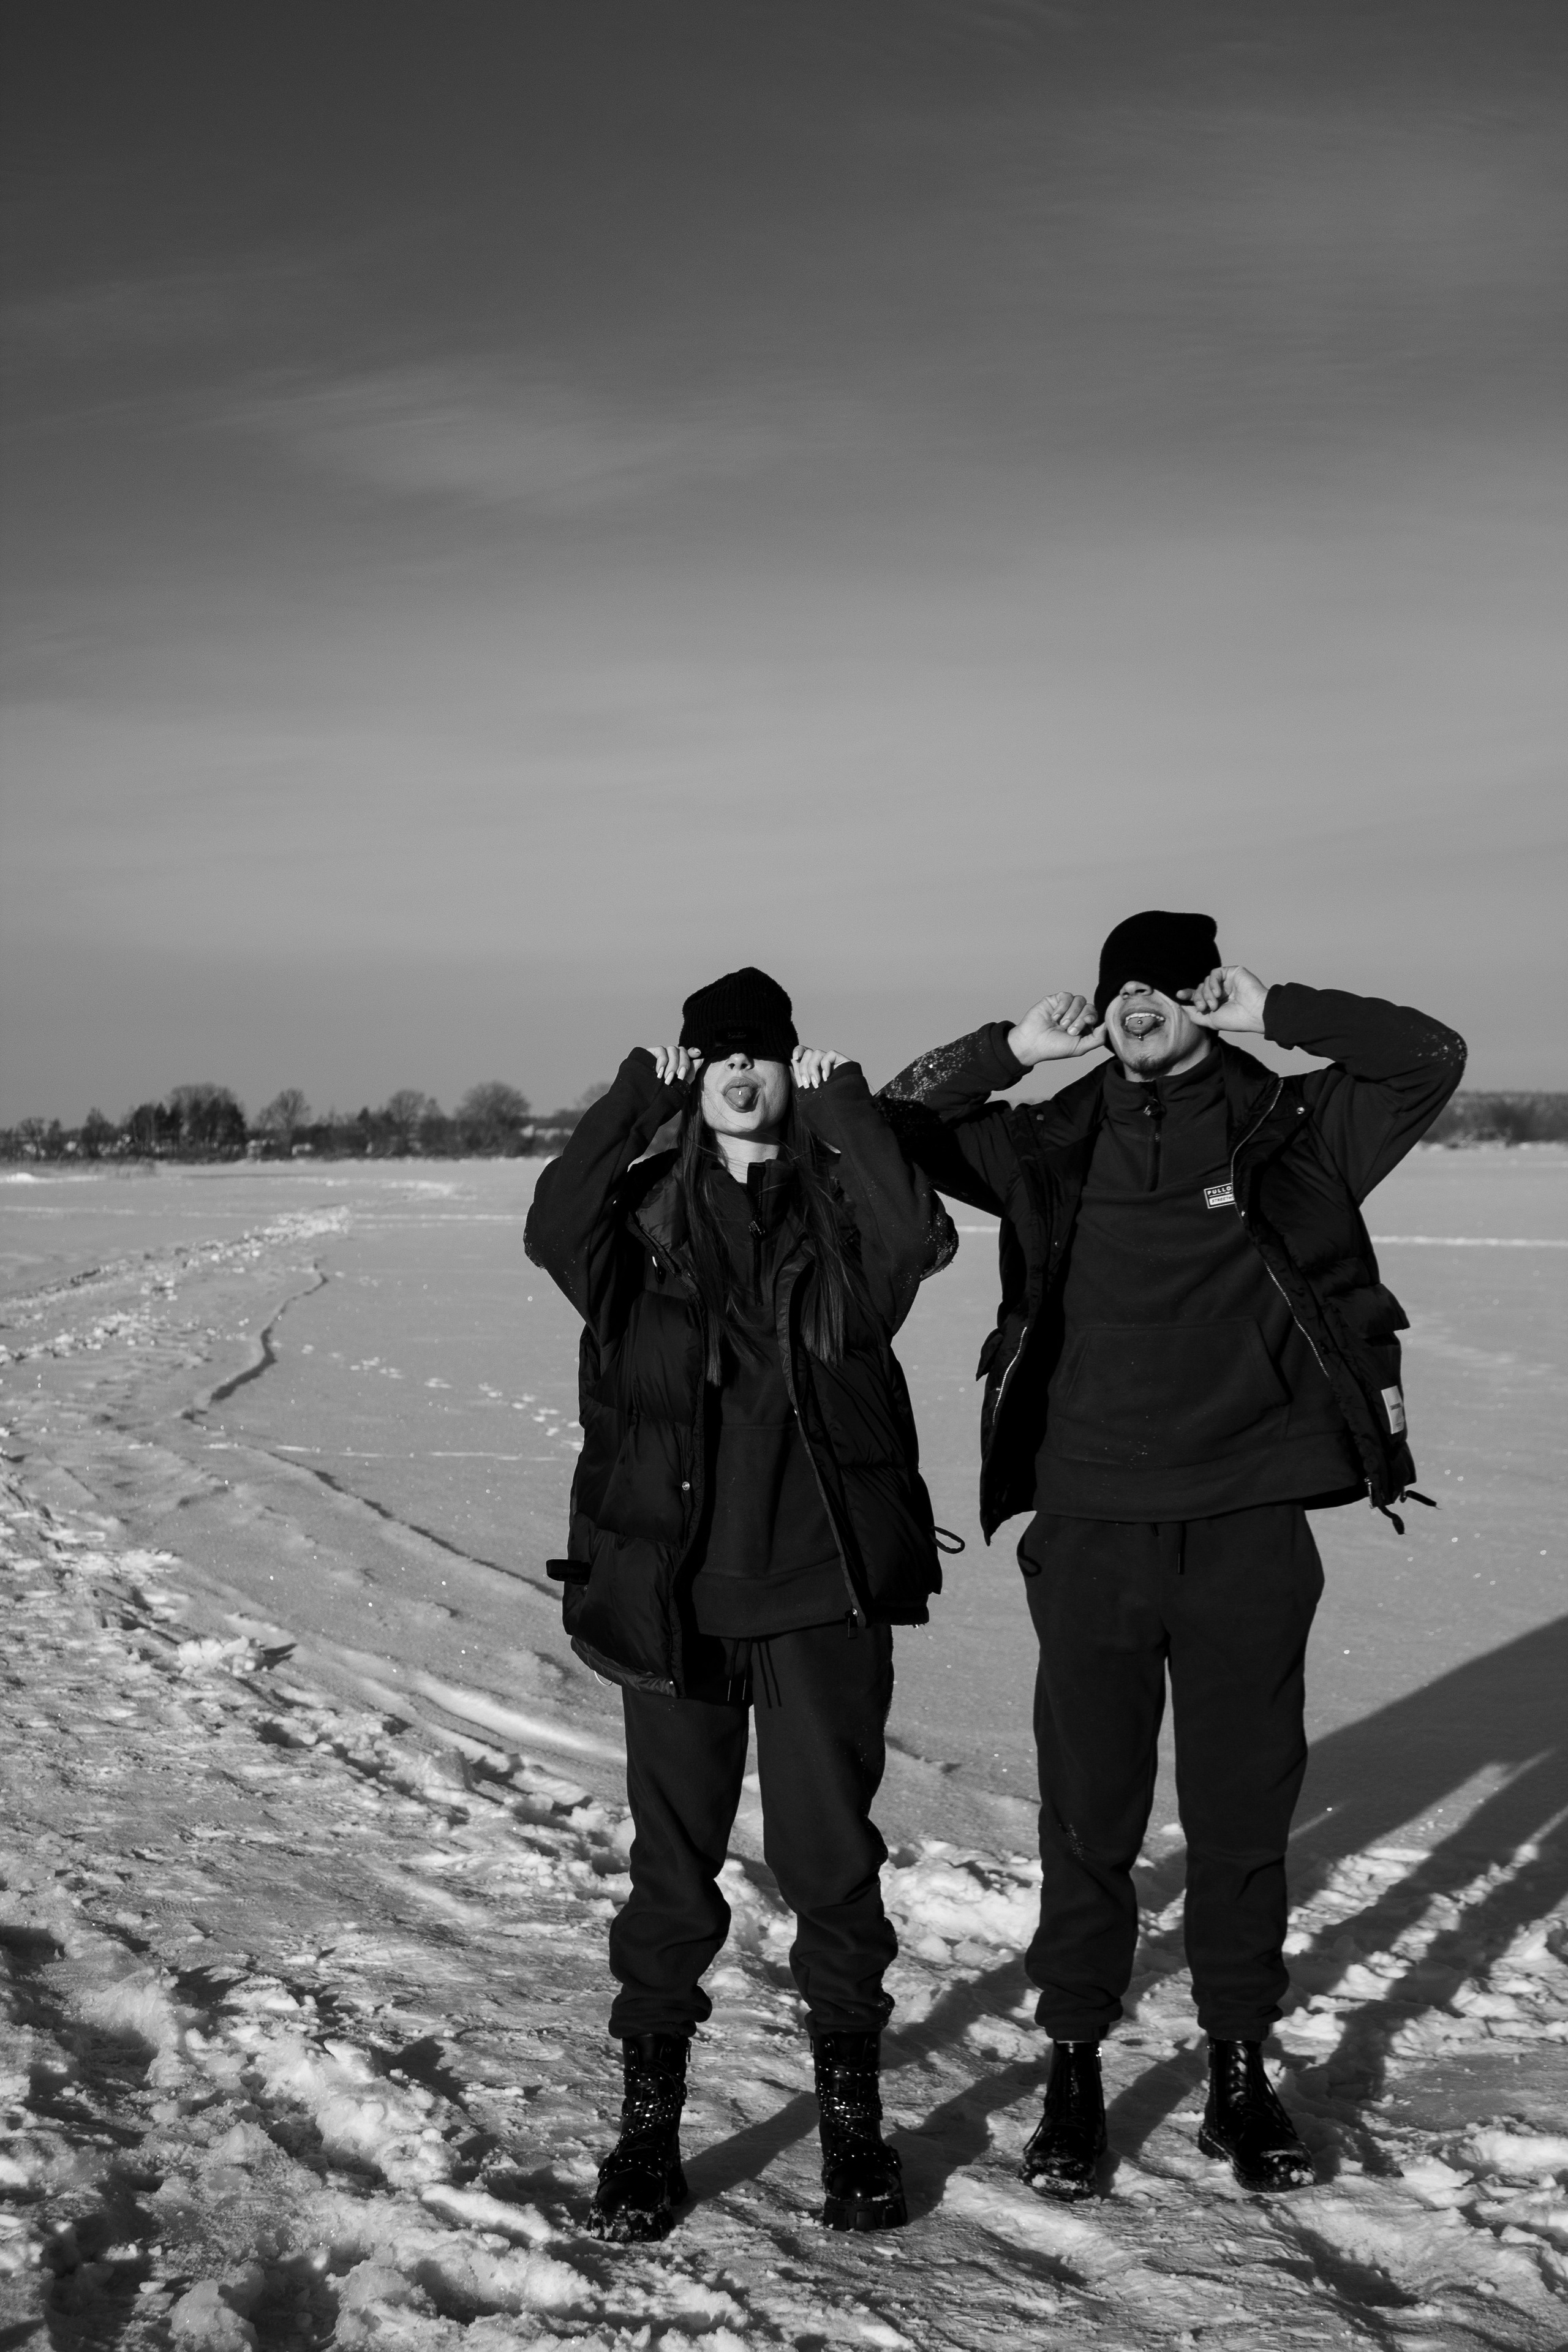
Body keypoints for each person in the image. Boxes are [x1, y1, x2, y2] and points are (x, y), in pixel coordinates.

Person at [878, 910, 1465, 2198]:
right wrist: (1004, 1048)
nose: (1139, 1004)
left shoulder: (1293, 1132)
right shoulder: (1045, 1139)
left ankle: (1237, 2071)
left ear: (1204, 996)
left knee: (1241, 1814)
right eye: (1120, 988)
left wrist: (1281, 1012)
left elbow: (1427, 1057)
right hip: (1087, 1521)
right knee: (1087, 1813)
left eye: (1166, 984)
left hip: (1248, 1520)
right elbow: (889, 1122)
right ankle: (1076, 2067)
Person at [524, 965, 957, 2242]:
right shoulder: (640, 1216)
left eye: (761, 1052)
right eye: (714, 1053)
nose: (739, 1070)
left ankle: (852, 2132)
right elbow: (552, 1228)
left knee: (832, 1865)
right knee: (672, 1875)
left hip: (820, 1596)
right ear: (690, 1071)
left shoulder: (838, 1219)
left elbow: (914, 1239)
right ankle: (647, 2135)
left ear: (788, 1067)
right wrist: (626, 1099)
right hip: (674, 1600)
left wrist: (850, 1115)